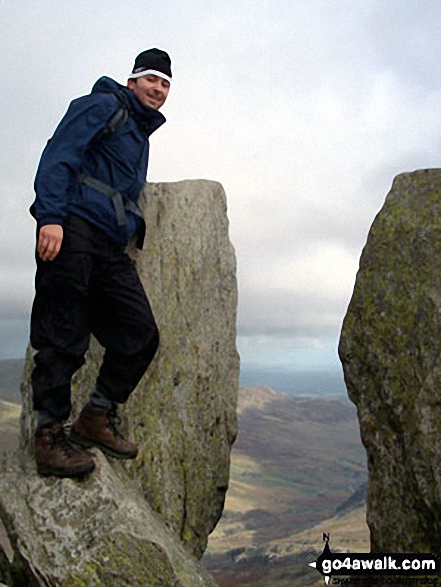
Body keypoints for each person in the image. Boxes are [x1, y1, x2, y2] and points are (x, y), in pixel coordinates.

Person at [29, 48, 172, 478]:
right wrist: (51, 217)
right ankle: (49, 437)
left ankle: (96, 416)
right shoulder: (103, 105)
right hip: (72, 229)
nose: (159, 89)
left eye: (165, 84)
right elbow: (59, 155)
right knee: (64, 335)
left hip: (109, 246)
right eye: (151, 80)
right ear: (132, 81)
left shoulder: (139, 133)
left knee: (140, 333)